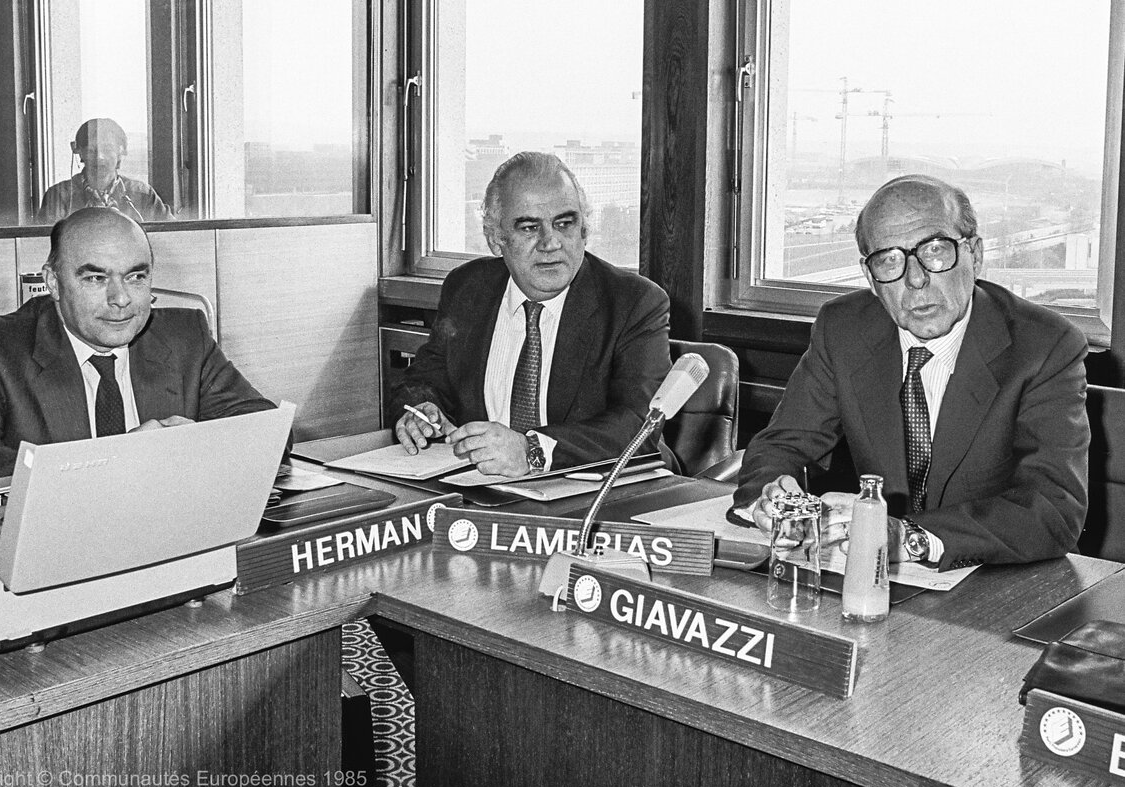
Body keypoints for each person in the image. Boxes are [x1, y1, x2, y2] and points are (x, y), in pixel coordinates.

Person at [733, 174, 1089, 571]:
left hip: (992, 580)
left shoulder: (1044, 346)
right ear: (870, 278)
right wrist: (774, 497)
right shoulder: (843, 328)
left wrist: (908, 537)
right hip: (862, 577)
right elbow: (783, 446)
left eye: (935, 252)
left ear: (975, 254)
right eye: (889, 261)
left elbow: (1054, 512)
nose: (915, 280)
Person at [0, 207, 281, 490]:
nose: (121, 300)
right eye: (96, 279)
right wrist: (106, 467)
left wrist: (196, 448)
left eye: (136, 277)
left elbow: (268, 428)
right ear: (53, 282)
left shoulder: (184, 336)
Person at [390, 151, 670, 477]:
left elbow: (640, 425)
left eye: (565, 223)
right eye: (529, 227)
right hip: (480, 489)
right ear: (496, 240)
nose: (550, 243)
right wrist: (421, 412)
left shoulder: (635, 302)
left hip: (597, 490)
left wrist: (530, 450)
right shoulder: (468, 288)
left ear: (583, 230)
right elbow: (424, 379)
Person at [37, 118, 173, 224]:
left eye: (107, 150)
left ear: (122, 151)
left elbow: (173, 236)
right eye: (91, 150)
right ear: (78, 151)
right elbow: (42, 245)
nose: (99, 157)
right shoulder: (59, 196)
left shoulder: (143, 194)